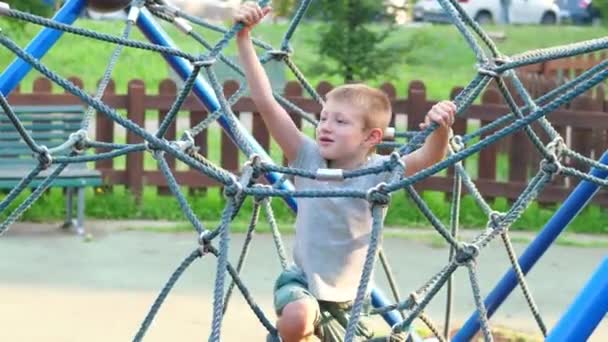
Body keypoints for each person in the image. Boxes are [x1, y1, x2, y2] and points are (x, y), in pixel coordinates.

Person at [234, 2, 457, 341]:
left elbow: (428, 158)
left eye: (340, 121)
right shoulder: (306, 157)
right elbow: (266, 102)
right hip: (302, 284)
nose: (325, 126)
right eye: (323, 118)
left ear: (371, 137)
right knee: (297, 317)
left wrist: (440, 128)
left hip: (352, 301)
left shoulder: (379, 173)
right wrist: (245, 40)